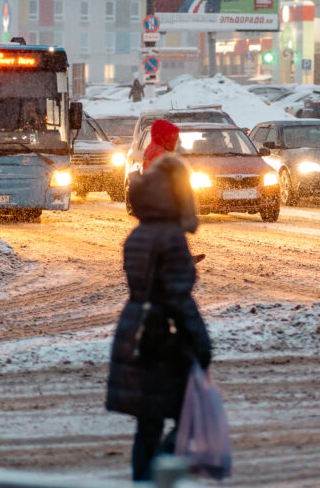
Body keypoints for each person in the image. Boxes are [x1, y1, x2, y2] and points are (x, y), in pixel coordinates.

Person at [106, 153, 211, 482]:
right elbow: (178, 298)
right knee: (188, 417)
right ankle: (160, 474)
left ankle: (142, 479)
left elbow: (146, 282)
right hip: (165, 337)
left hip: (135, 330)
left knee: (148, 421)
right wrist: (201, 343)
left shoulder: (138, 233)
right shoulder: (171, 237)